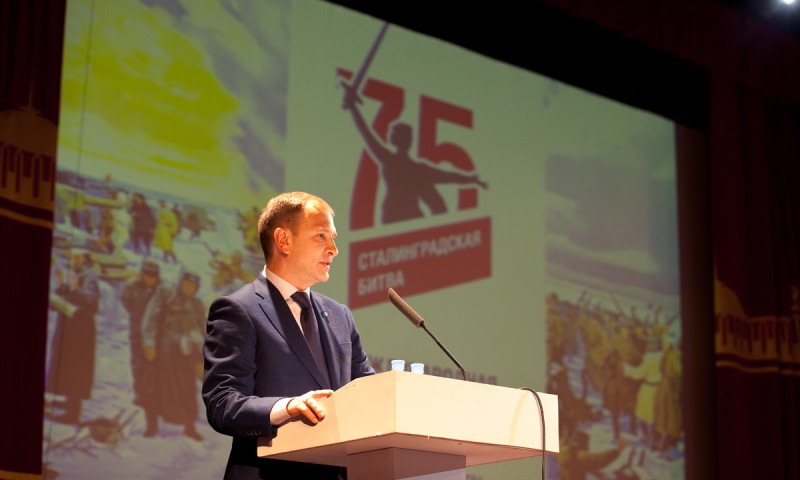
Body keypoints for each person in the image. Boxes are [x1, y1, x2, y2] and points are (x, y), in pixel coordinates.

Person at [202, 192, 375, 479]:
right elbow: (223, 403)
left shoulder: (340, 315)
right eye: (321, 236)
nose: (333, 249)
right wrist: (286, 407)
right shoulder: (239, 310)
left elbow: (366, 392)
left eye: (333, 238)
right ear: (284, 240)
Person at [141, 269, 206, 440]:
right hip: (164, 352)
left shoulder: (197, 304)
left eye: (193, 286)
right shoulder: (166, 295)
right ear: (181, 283)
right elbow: (151, 318)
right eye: (186, 284)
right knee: (155, 386)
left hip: (186, 354)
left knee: (187, 389)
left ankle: (189, 426)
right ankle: (151, 426)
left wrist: (202, 350)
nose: (189, 288)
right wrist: (149, 343)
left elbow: (203, 329)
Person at [46, 248, 100, 424]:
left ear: (83, 256)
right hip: (69, 327)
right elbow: (67, 293)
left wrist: (73, 289)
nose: (73, 258)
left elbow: (91, 301)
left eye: (76, 256)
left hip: (80, 330)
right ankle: (69, 402)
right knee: (67, 366)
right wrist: (61, 288)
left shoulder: (90, 275)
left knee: (76, 368)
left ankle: (73, 411)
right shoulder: (76, 272)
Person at [119, 260, 161, 410]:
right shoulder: (132, 286)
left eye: (153, 275)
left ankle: (153, 393)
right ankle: (140, 394)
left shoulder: (161, 288)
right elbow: (125, 301)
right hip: (137, 330)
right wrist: (136, 316)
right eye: (147, 275)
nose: (150, 278)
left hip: (154, 333)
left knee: (154, 363)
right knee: (138, 364)